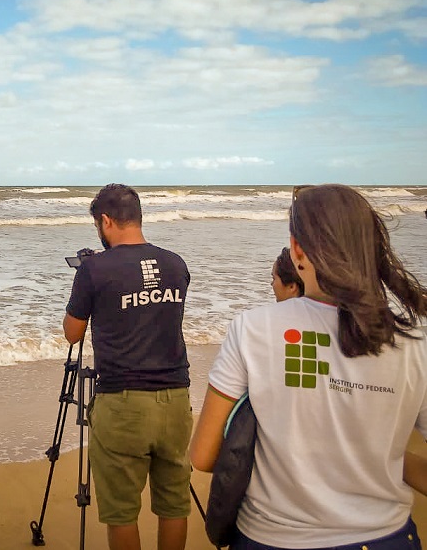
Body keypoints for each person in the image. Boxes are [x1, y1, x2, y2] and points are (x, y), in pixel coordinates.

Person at [190, 184, 427, 549]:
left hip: (272, 538)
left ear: (297, 250)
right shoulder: (415, 338)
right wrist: (383, 458)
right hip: (386, 538)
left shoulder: (254, 328)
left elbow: (203, 455)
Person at [63, 184, 192, 550]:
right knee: (174, 504)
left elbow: (73, 333)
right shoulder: (176, 264)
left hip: (122, 403)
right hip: (176, 399)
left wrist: (86, 282)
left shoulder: (94, 270)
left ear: (105, 221)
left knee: (121, 512)